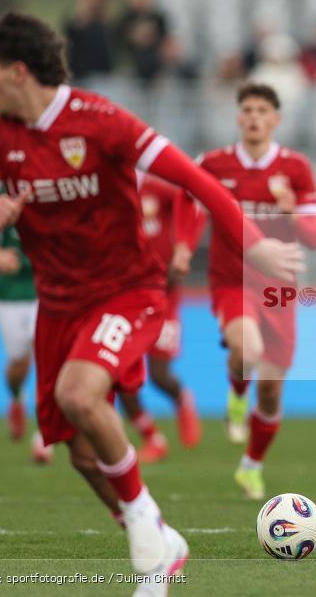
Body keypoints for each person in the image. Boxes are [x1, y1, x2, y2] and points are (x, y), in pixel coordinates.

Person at [0, 12, 303, 593]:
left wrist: (256, 246)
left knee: (78, 393)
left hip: (128, 293)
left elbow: (198, 182)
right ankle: (163, 546)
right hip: (58, 306)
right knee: (82, 456)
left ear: (18, 71)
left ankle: (145, 523)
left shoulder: (100, 121)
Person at [197, 82, 316, 499]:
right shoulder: (213, 165)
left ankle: (251, 466)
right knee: (247, 352)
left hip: (280, 290)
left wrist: (289, 212)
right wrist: (181, 247)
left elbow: (312, 236)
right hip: (232, 281)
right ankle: (236, 395)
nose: (254, 117)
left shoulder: (296, 169)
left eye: (262, 111)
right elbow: (184, 202)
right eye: (247, 109)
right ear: (238, 116)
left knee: (270, 390)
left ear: (276, 120)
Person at [117, 173, 206, 463]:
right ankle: (153, 439)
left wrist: (184, 248)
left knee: (158, 375)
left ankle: (182, 400)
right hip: (126, 296)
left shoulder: (160, 188)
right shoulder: (113, 192)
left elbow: (194, 207)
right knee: (121, 376)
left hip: (165, 293)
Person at [0, 227, 53, 463]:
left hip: (47, 288)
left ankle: (44, 436)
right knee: (18, 363)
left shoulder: (52, 190)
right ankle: (17, 398)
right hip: (10, 292)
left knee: (48, 361)